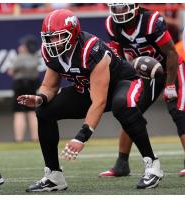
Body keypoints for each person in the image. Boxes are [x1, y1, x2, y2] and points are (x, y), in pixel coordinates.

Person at [17, 9, 163, 192]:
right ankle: (53, 175)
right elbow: (50, 85)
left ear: (74, 33)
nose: (54, 42)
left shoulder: (91, 49)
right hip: (87, 89)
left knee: (122, 106)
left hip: (122, 84)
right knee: (44, 111)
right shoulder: (50, 51)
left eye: (59, 36)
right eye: (50, 37)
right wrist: (40, 98)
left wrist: (81, 137)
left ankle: (152, 164)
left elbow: (99, 102)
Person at [100, 3, 185, 177]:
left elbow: (171, 54)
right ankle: (121, 164)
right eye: (116, 8)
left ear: (135, 6)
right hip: (146, 72)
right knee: (130, 111)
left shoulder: (151, 21)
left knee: (178, 112)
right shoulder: (112, 25)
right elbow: (117, 57)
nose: (120, 12)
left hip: (171, 68)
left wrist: (169, 85)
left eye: (124, 7)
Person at [7, 35, 40, 142]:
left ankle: (19, 139)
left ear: (26, 47)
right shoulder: (35, 57)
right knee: (32, 112)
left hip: (20, 85)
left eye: (23, 45)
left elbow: (11, 71)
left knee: (19, 113)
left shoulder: (20, 57)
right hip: (33, 85)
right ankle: (35, 138)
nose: (20, 47)